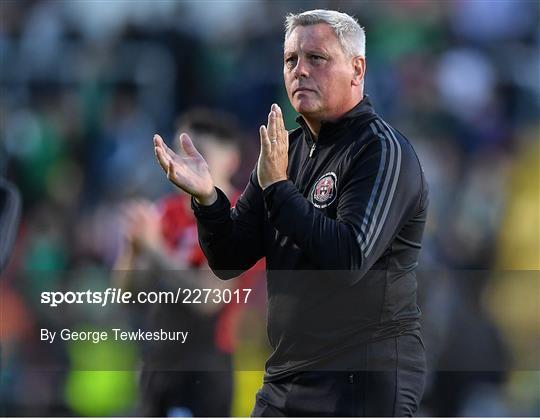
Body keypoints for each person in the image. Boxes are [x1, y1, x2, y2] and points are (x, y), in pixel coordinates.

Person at [153, 9, 429, 417]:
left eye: (316, 58)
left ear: (357, 69)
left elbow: (349, 257)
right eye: (290, 60)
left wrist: (279, 189)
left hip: (363, 377)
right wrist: (209, 199)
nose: (300, 70)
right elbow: (229, 258)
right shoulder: (287, 150)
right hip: (288, 375)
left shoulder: (381, 151)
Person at [115, 109, 250, 416]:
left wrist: (155, 247)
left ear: (231, 159)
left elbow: (207, 298)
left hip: (205, 369)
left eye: (198, 151)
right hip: (159, 362)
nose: (185, 162)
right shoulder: (167, 212)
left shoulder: (239, 215)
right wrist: (133, 249)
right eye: (180, 150)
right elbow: (127, 294)